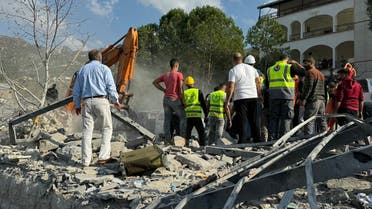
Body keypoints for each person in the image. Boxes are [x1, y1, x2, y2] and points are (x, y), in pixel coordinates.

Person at [72, 49, 122, 167]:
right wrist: (116, 101)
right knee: (107, 128)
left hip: (87, 102)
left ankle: (85, 161)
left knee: (87, 131)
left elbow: (76, 91)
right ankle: (103, 157)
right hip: (101, 101)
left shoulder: (82, 70)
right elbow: (110, 86)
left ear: (90, 58)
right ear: (99, 58)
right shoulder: (104, 69)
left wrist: (77, 105)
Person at [225, 52, 262, 143]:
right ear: (242, 59)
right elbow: (258, 83)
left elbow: (231, 86)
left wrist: (227, 101)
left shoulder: (233, 70)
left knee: (243, 120)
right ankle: (257, 140)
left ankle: (243, 141)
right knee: (254, 119)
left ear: (233, 60)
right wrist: (260, 95)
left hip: (241, 98)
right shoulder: (253, 69)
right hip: (253, 96)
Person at [266, 54, 304, 141]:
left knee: (273, 118)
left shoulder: (270, 69)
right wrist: (296, 63)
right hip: (287, 96)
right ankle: (283, 139)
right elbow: (303, 72)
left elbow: (268, 84)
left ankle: (271, 139)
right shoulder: (289, 67)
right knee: (286, 117)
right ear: (287, 60)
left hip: (273, 96)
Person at [153, 58, 186, 144]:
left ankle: (167, 138)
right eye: (178, 66)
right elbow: (180, 89)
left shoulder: (166, 75)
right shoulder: (179, 75)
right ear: (176, 65)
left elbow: (155, 82)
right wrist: (183, 101)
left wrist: (164, 90)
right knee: (183, 117)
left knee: (167, 119)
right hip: (175, 99)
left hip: (166, 99)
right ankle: (182, 137)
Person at [299, 57, 327, 135]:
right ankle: (325, 138)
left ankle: (308, 139)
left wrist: (304, 98)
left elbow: (309, 87)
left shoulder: (310, 72)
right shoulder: (321, 74)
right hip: (321, 100)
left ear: (311, 63)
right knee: (322, 120)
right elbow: (324, 88)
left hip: (313, 100)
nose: (304, 65)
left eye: (305, 63)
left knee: (309, 120)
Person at [244, 54, 265, 141]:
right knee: (257, 118)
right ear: (254, 63)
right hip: (256, 97)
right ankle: (256, 136)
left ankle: (247, 136)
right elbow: (260, 84)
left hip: (245, 97)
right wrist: (261, 96)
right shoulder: (258, 72)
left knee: (246, 117)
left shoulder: (242, 71)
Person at [183, 76, 208, 146]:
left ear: (186, 85)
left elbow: (182, 105)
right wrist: (206, 115)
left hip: (188, 117)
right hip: (197, 116)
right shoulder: (198, 91)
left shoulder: (184, 93)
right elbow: (203, 105)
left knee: (188, 132)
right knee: (201, 132)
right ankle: (202, 146)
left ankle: (186, 146)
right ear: (193, 83)